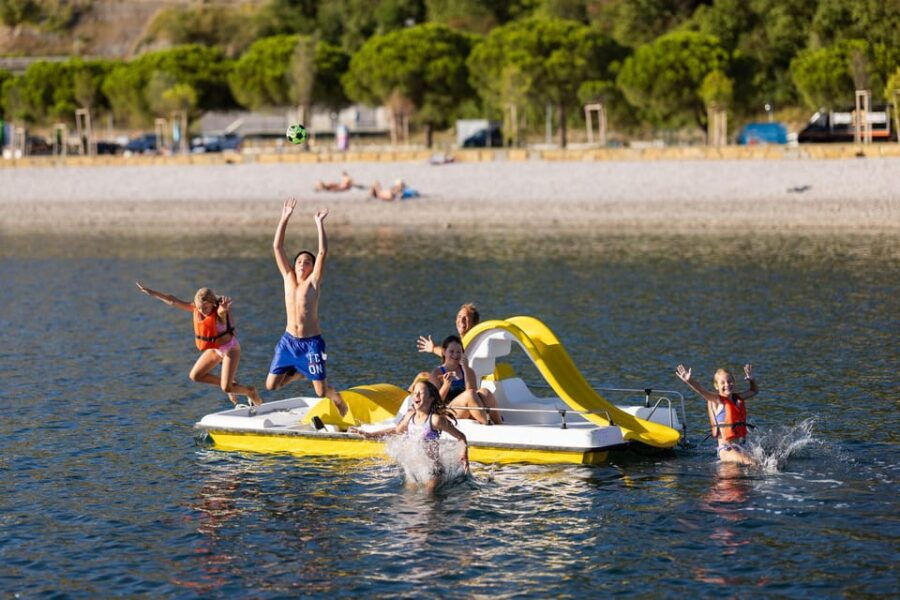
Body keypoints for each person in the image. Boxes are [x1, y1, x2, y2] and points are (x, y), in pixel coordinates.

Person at [266, 198, 348, 416]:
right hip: (288, 341)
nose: (303, 264)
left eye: (307, 262)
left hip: (312, 343)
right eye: (300, 261)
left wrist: (319, 223)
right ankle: (298, 374)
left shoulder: (313, 283)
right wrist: (284, 218)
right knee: (271, 385)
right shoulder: (287, 277)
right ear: (294, 265)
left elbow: (322, 253)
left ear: (312, 269)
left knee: (321, 392)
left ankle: (337, 398)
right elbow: (277, 246)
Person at [135, 282, 261, 407]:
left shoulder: (219, 312)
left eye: (205, 308)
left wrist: (223, 309)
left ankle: (250, 391)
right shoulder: (197, 309)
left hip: (230, 349)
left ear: (212, 303)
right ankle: (229, 383)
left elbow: (222, 313)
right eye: (199, 308)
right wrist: (151, 292)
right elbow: (172, 300)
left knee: (227, 388)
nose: (202, 311)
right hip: (215, 349)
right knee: (195, 376)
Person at [350, 380, 468, 493]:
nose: (416, 395)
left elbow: (461, 437)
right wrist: (370, 435)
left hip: (434, 471)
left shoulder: (435, 420)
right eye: (414, 393)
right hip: (414, 470)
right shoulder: (410, 416)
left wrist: (464, 453)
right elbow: (396, 430)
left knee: (428, 498)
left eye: (420, 393)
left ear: (431, 398)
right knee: (408, 498)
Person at [675, 363, 758, 465]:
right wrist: (689, 381)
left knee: (743, 473)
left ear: (734, 383)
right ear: (716, 386)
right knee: (753, 463)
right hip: (726, 450)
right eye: (722, 383)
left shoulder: (737, 398)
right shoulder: (717, 400)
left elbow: (754, 391)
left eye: (729, 381)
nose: (727, 385)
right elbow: (701, 391)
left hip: (739, 448)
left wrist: (752, 380)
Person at [431, 335, 503, 425]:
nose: (455, 355)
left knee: (485, 392)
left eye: (458, 352)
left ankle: (500, 424)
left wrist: (466, 369)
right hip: (447, 411)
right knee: (469, 394)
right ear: (444, 352)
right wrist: (446, 385)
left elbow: (473, 394)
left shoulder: (468, 371)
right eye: (451, 351)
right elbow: (434, 403)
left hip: (467, 407)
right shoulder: (437, 373)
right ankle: (487, 424)